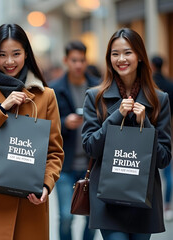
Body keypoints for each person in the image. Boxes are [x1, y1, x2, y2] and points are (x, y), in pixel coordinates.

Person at [0, 23, 64, 240]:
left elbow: (54, 152)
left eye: (16, 54)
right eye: (2, 55)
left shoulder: (46, 96)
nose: (9, 61)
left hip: (29, 200)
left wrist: (46, 184)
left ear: (26, 53)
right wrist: (1, 109)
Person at [81, 28, 171, 240]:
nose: (121, 59)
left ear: (139, 56)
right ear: (109, 58)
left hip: (143, 198)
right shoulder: (95, 97)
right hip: (108, 198)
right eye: (115, 53)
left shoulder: (159, 99)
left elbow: (163, 158)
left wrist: (146, 124)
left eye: (127, 52)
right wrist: (115, 117)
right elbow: (90, 147)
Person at [50, 40, 99, 240]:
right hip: (65, 164)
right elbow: (46, 124)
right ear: (66, 61)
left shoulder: (98, 87)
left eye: (81, 60)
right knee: (65, 216)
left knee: (93, 217)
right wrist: (64, 122)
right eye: (74, 60)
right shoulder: (55, 89)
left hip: (92, 163)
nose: (78, 64)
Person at [151, 55, 173, 221]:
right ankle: (166, 205)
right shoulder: (169, 84)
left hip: (148, 131)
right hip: (167, 129)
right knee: (167, 172)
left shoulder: (150, 86)